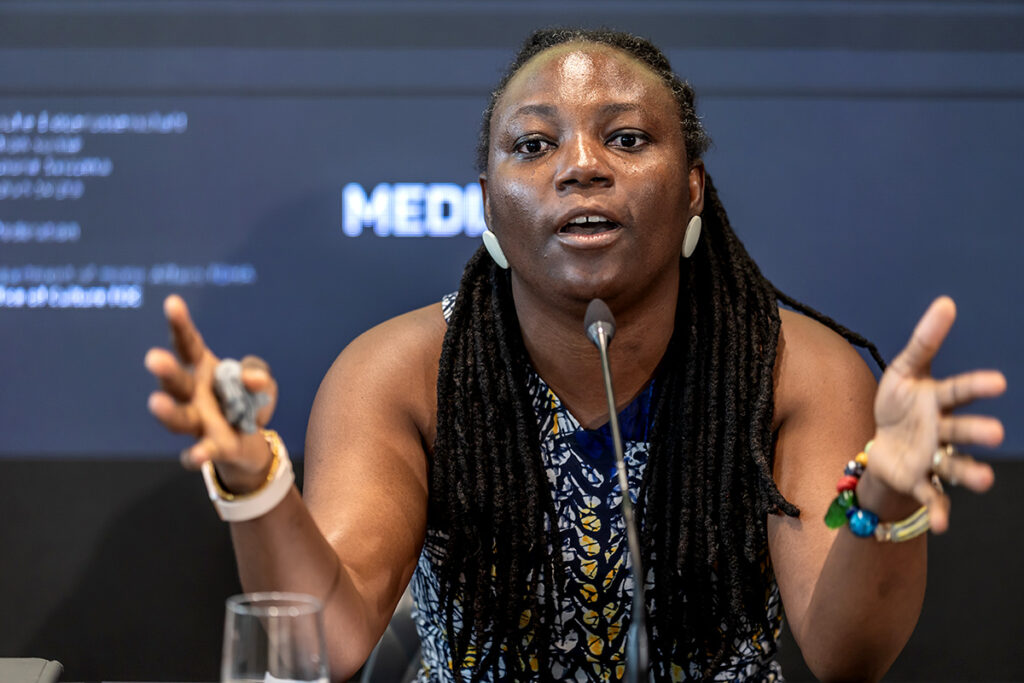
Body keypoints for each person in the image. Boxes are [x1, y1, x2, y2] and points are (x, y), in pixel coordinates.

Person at [144, 28, 1006, 682]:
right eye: (534, 144)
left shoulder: (791, 368)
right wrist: (256, 482)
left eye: (627, 139)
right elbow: (327, 642)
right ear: (487, 201)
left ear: (693, 186)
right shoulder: (400, 372)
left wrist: (886, 498)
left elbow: (845, 650)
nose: (581, 167)